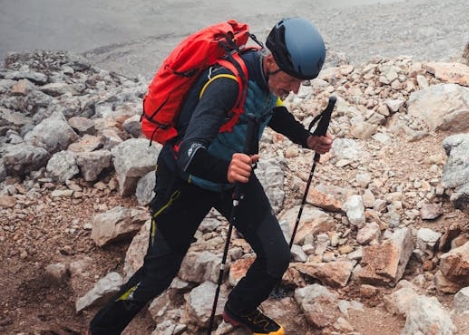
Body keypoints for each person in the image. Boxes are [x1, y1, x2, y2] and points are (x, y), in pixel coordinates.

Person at [88, 17, 333, 335]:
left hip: (233, 175)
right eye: (293, 79)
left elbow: (270, 108)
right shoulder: (227, 83)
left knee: (276, 256)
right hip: (185, 183)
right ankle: (101, 330)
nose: (296, 89)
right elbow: (190, 152)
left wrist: (306, 138)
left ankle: (239, 309)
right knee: (156, 277)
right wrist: (226, 168)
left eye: (303, 82)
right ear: (271, 60)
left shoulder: (267, 78)